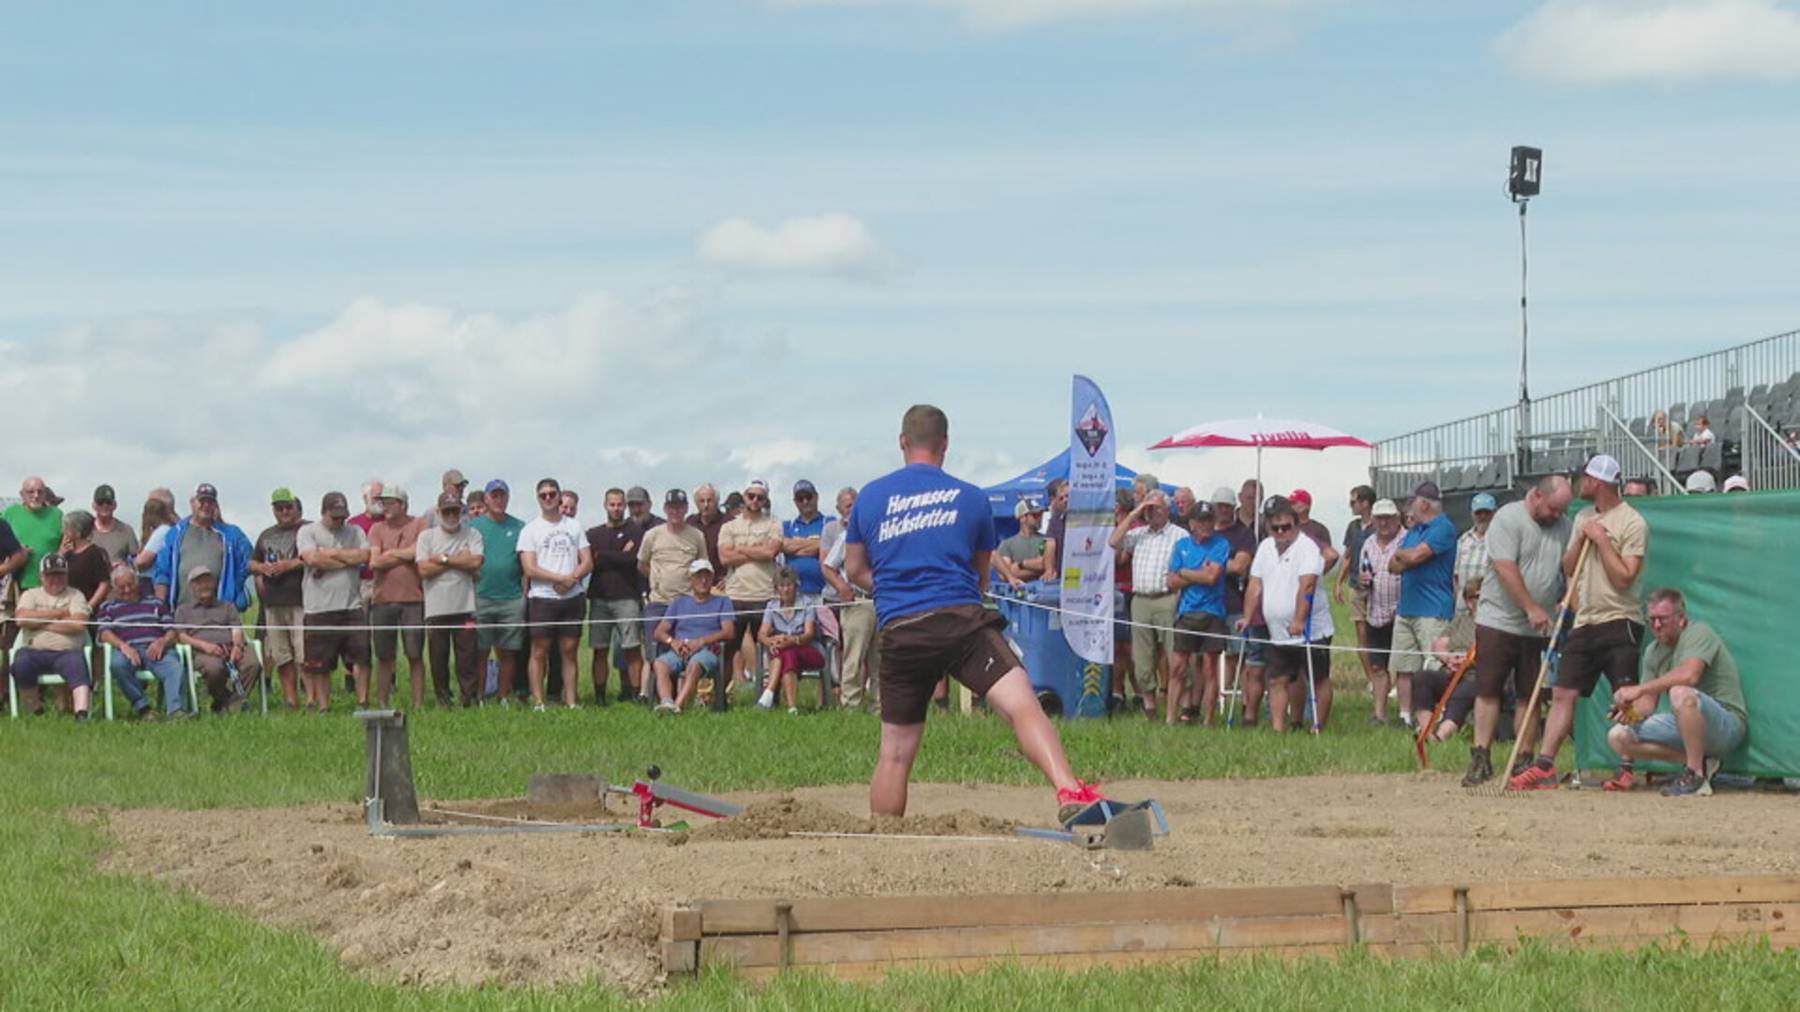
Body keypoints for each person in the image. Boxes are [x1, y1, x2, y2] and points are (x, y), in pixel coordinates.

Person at [844, 404, 1101, 820]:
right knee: (1022, 706)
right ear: (945, 444)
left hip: (902, 629)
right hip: (960, 621)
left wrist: (895, 588)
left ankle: (884, 840)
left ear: (902, 443)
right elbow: (980, 578)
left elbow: (855, 570)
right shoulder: (971, 497)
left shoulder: (871, 496)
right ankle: (1071, 793)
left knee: (894, 753)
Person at [1508, 455, 1648, 791]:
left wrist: (1601, 541)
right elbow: (1569, 566)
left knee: (1624, 696)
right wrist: (1583, 540)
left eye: (1584, 478)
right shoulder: (1583, 516)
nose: (1579, 484)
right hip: (1585, 619)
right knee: (1562, 692)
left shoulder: (1633, 522)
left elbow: (1626, 578)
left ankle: (1628, 766)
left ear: (1597, 481)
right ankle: (1545, 766)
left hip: (1620, 619)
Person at [1461, 476, 1573, 787]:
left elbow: (1567, 565)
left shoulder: (1563, 525)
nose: (1556, 516)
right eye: (1552, 509)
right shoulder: (1508, 519)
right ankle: (1480, 756)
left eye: (1561, 511)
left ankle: (1524, 759)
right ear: (1537, 495)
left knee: (1531, 693)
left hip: (1539, 626)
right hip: (1499, 619)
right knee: (1489, 688)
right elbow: (1505, 567)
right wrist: (1530, 607)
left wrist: (1565, 599)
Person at [1605, 589, 1748, 797]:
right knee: (1618, 736)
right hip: (1685, 725)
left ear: (1681, 619)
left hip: (1726, 724)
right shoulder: (1653, 651)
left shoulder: (1699, 632)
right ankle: (1702, 765)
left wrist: (1638, 689)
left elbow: (1690, 675)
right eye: (1651, 619)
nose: (1656, 625)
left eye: (1662, 619)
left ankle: (1695, 776)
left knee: (1680, 692)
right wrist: (1629, 711)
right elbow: (1647, 704)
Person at [1241, 497, 1334, 732]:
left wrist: (1299, 620)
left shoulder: (1308, 548)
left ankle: (1317, 726)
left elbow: (1308, 586)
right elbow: (1255, 584)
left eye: (1286, 526)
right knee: (1278, 679)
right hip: (1277, 630)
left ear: (1295, 523)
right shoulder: (1264, 548)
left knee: (1317, 678)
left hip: (1312, 629)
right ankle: (1279, 728)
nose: (1281, 531)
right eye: (1275, 527)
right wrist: (1247, 616)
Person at [1386, 481, 1457, 730]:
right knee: (1404, 665)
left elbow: (1414, 556)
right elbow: (1392, 565)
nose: (1409, 507)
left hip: (1433, 610)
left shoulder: (1444, 528)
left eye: (1412, 501)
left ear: (1424, 503)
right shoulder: (1414, 531)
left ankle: (1438, 716)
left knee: (1433, 664)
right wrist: (1410, 556)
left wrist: (1410, 556)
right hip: (1407, 608)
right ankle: (1406, 716)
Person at [1109, 489, 1186, 719]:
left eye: (1156, 508)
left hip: (1167, 598)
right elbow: (1113, 541)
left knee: (1175, 655)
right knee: (1142, 659)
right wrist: (1135, 513)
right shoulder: (1139, 533)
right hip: (1140, 599)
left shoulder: (1179, 535)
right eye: (1149, 508)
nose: (1152, 512)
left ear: (1167, 509)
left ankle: (1181, 709)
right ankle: (1150, 709)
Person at [519, 477, 592, 710]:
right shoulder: (530, 530)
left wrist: (572, 580)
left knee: (569, 650)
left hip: (572, 597)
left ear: (559, 496)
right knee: (539, 650)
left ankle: (570, 700)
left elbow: (588, 560)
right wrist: (561, 579)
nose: (548, 498)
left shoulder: (574, 526)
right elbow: (529, 568)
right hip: (542, 597)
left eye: (552, 494)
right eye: (543, 495)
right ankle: (539, 701)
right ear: (538, 499)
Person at [297, 492, 373, 710]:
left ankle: (363, 701)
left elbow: (364, 557)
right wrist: (347, 560)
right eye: (335, 517)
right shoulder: (308, 531)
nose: (340, 521)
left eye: (342, 517)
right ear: (324, 512)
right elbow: (311, 558)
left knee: (361, 658)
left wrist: (331, 553)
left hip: (352, 606)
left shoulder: (355, 530)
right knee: (320, 663)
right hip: (318, 608)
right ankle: (323, 706)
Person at [415, 492, 485, 706]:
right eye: (447, 511)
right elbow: (424, 569)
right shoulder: (426, 537)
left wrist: (443, 558)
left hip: (465, 606)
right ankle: (443, 700)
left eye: (456, 510)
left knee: (467, 658)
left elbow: (475, 563)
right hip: (436, 609)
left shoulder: (472, 534)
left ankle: (469, 699)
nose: (452, 515)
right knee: (438, 659)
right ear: (438, 512)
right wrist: (459, 559)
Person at [719, 478, 785, 698]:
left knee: (770, 649)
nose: (755, 500)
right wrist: (756, 548)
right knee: (728, 649)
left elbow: (770, 553)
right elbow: (724, 557)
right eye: (751, 496)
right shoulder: (729, 526)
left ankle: (769, 697)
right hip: (735, 595)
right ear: (744, 496)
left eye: (760, 497)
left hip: (765, 595)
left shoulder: (773, 523)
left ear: (765, 499)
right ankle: (720, 697)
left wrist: (740, 548)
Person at [96, 564, 187, 719]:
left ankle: (176, 710)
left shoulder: (156, 603)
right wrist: (123, 646)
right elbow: (104, 633)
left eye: (130, 585)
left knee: (174, 666)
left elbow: (172, 630)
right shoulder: (108, 607)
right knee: (117, 664)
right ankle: (143, 707)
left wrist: (162, 641)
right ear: (114, 588)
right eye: (121, 587)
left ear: (137, 582)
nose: (127, 590)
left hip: (155, 648)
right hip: (127, 649)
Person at [368, 485, 429, 708]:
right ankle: (383, 703)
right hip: (382, 599)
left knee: (414, 654)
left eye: (389, 502)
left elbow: (419, 552)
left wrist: (391, 553)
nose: (385, 507)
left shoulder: (419, 524)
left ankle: (418, 704)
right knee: (384, 656)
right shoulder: (376, 529)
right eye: (382, 503)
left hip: (413, 599)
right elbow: (374, 562)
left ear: (402, 504)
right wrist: (404, 555)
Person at [11, 554, 94, 718]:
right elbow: (21, 619)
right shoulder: (30, 595)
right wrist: (59, 613)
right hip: (34, 651)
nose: (56, 579)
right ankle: (36, 712)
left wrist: (41, 622)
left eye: (60, 574)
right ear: (42, 576)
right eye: (50, 575)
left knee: (78, 667)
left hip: (67, 652)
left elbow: (79, 624)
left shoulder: (76, 595)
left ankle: (82, 714)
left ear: (66, 575)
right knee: (21, 664)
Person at [1167, 506, 1228, 725]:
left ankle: (1209, 719)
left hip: (1213, 612)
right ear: (1191, 523)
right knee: (1178, 666)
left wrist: (1184, 571)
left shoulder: (1221, 544)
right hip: (1186, 611)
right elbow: (1171, 582)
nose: (1206, 525)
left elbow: (1212, 577)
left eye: (1209, 520)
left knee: (1210, 667)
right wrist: (1196, 574)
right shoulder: (1181, 545)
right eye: (1201, 521)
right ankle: (1170, 719)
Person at [649, 559, 736, 713]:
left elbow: (729, 632)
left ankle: (678, 706)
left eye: (707, 577)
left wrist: (701, 641)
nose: (703, 581)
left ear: (712, 579)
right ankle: (667, 701)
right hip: (680, 649)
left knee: (695, 664)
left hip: (707, 651)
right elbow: (659, 631)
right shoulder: (679, 603)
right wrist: (673, 642)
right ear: (691, 580)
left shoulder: (723, 602)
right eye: (698, 577)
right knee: (659, 663)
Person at [152, 483, 253, 613]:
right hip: (182, 614)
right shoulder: (175, 534)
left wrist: (237, 588)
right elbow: (162, 572)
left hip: (220, 615)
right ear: (192, 503)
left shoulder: (231, 534)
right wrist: (160, 606)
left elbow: (251, 562)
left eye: (210, 501)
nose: (206, 505)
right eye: (202, 501)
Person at [174, 566, 262, 714]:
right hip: (203, 652)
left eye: (207, 581)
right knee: (214, 669)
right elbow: (181, 636)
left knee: (253, 663)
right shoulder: (183, 610)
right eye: (199, 582)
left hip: (230, 646)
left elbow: (236, 629)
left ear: (214, 583)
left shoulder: (227, 606)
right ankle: (224, 700)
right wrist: (204, 646)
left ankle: (232, 707)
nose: (204, 586)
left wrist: (237, 647)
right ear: (191, 586)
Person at [638, 489, 707, 677]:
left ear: (686, 509)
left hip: (686, 602)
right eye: (671, 507)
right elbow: (642, 564)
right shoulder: (652, 535)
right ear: (665, 509)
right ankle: (653, 694)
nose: (675, 512)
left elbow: (702, 568)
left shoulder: (697, 536)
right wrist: (658, 579)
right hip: (658, 601)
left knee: (684, 648)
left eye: (679, 507)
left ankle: (679, 694)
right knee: (654, 651)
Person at [585, 488, 645, 704]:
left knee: (632, 648)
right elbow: (592, 563)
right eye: (612, 504)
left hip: (627, 597)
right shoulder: (593, 534)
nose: (616, 508)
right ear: (605, 505)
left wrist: (604, 555)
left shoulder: (635, 530)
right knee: (600, 650)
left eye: (620, 504)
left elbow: (632, 560)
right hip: (599, 597)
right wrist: (619, 554)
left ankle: (637, 693)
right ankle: (600, 695)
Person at [821, 485, 879, 710]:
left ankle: (881, 707)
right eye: (850, 505)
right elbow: (828, 566)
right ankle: (850, 706)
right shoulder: (847, 536)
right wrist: (842, 587)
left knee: (881, 661)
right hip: (858, 602)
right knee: (853, 658)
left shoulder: (881, 532)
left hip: (882, 601)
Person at [469, 480, 526, 703]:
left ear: (508, 498)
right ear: (486, 499)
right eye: (494, 496)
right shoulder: (475, 527)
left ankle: (503, 696)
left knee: (508, 651)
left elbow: (524, 563)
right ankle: (481, 695)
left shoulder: (519, 526)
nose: (498, 500)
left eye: (502, 496)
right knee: (481, 651)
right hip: (482, 596)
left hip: (511, 597)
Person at [1210, 486, 1263, 725]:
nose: (1222, 510)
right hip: (1207, 604)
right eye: (1219, 506)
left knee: (1239, 656)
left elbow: (1239, 567)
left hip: (1235, 603)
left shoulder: (1244, 534)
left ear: (1233, 507)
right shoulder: (1204, 529)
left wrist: (1207, 563)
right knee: (1209, 658)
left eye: (1226, 506)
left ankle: (1243, 707)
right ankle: (1211, 704)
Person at [251, 487, 308, 709]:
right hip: (272, 602)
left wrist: (288, 565)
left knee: (304, 653)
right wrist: (262, 568)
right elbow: (251, 562)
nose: (284, 511)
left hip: (301, 599)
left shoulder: (307, 529)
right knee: (282, 655)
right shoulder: (266, 535)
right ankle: (290, 700)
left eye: (288, 507)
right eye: (279, 507)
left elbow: (313, 556)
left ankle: (312, 699)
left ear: (296, 508)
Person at [1412, 577, 1482, 740]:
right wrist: (1448, 659)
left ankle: (1442, 735)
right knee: (1422, 678)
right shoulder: (1461, 620)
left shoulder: (1491, 625)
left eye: (1478, 597)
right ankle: (1426, 733)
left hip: (1475, 676)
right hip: (1450, 671)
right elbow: (1439, 644)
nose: (1474, 601)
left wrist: (1468, 661)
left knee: (1463, 691)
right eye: (1470, 597)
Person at [1358, 499, 1405, 724]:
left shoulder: (1407, 540)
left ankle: (1407, 713)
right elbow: (1362, 573)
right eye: (1379, 518)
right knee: (1378, 666)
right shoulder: (1368, 543)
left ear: (1397, 518)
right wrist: (1363, 580)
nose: (1384, 522)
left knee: (1406, 667)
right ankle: (1379, 713)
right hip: (1376, 612)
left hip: (1403, 613)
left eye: (1388, 517)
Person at [756, 567, 823, 713]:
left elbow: (809, 634)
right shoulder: (771, 606)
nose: (785, 590)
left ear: (796, 586)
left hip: (808, 649)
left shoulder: (807, 603)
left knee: (786, 651)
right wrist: (770, 642)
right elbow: (761, 634)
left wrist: (791, 640)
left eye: (789, 585)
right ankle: (792, 708)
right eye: (781, 586)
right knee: (787, 654)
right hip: (785, 651)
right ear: (776, 589)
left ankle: (769, 692)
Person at [1335, 485, 1377, 695]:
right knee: (1361, 634)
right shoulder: (1353, 527)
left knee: (1379, 633)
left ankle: (1384, 676)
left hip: (1378, 588)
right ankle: (1371, 679)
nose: (1350, 506)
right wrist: (1338, 583)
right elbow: (1348, 555)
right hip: (1356, 585)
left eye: (1354, 502)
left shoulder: (1379, 525)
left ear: (1365, 503)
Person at [5, 477, 65, 596]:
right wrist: (15, 550)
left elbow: (67, 544)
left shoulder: (57, 515)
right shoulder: (10, 513)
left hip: (51, 586)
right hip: (16, 585)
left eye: (40, 492)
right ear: (22, 494)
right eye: (30, 492)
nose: (36, 495)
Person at [782, 480, 829, 605]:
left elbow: (828, 545)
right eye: (800, 498)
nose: (805, 501)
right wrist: (814, 544)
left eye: (808, 497)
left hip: (824, 593)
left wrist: (796, 544)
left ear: (816, 497)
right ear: (795, 502)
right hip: (795, 594)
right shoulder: (787, 525)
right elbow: (785, 546)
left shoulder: (829, 522)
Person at [60, 510, 114, 613]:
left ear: (77, 531)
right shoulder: (67, 552)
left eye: (67, 528)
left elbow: (104, 583)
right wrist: (61, 553)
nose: (64, 531)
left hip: (85, 605)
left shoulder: (94, 553)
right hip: (65, 604)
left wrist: (89, 606)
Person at [1456, 492, 1497, 613]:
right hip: (1464, 607)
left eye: (1487, 512)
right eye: (1478, 513)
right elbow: (1455, 577)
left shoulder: (1501, 539)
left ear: (1495, 513)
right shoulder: (1463, 540)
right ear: (1472, 514)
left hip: (1491, 606)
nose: (1483, 516)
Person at [995, 499, 1047, 588]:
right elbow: (1005, 574)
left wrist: (1021, 565)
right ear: (1023, 518)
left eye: (1041, 515)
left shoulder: (1046, 540)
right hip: (1017, 595)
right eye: (1035, 515)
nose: (1040, 518)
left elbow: (1044, 564)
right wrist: (1039, 570)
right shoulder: (1007, 544)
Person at [1288, 490, 1341, 573]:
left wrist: (1315, 575)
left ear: (1306, 506)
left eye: (1294, 503)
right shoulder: (1287, 528)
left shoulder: (1319, 529)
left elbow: (1329, 557)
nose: (1291, 507)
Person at [89, 484, 141, 564]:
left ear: (115, 505)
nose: (105, 506)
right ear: (93, 505)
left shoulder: (127, 530)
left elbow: (137, 560)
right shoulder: (85, 530)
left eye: (108, 502)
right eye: (100, 503)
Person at [134, 494, 178, 574]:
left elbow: (142, 561)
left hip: (151, 580)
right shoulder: (170, 529)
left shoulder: (162, 531)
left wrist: (128, 563)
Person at [1039, 478, 1070, 581]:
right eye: (1061, 498)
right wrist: (1049, 570)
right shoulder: (1054, 521)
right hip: (1065, 577)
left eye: (1068, 496)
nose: (1066, 500)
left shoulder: (1082, 516)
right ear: (1052, 500)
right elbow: (1050, 544)